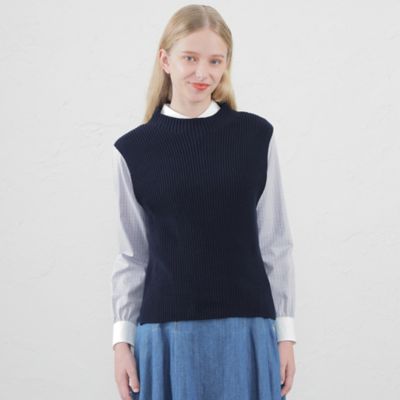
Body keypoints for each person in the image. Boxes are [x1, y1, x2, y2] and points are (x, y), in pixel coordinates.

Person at [111, 5, 296, 400]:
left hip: (248, 331)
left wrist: (286, 335)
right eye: (190, 58)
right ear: (165, 60)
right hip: (166, 336)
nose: (203, 73)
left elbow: (275, 243)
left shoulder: (256, 137)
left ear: (227, 64)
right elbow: (132, 256)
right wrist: (121, 342)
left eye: (215, 61)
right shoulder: (133, 150)